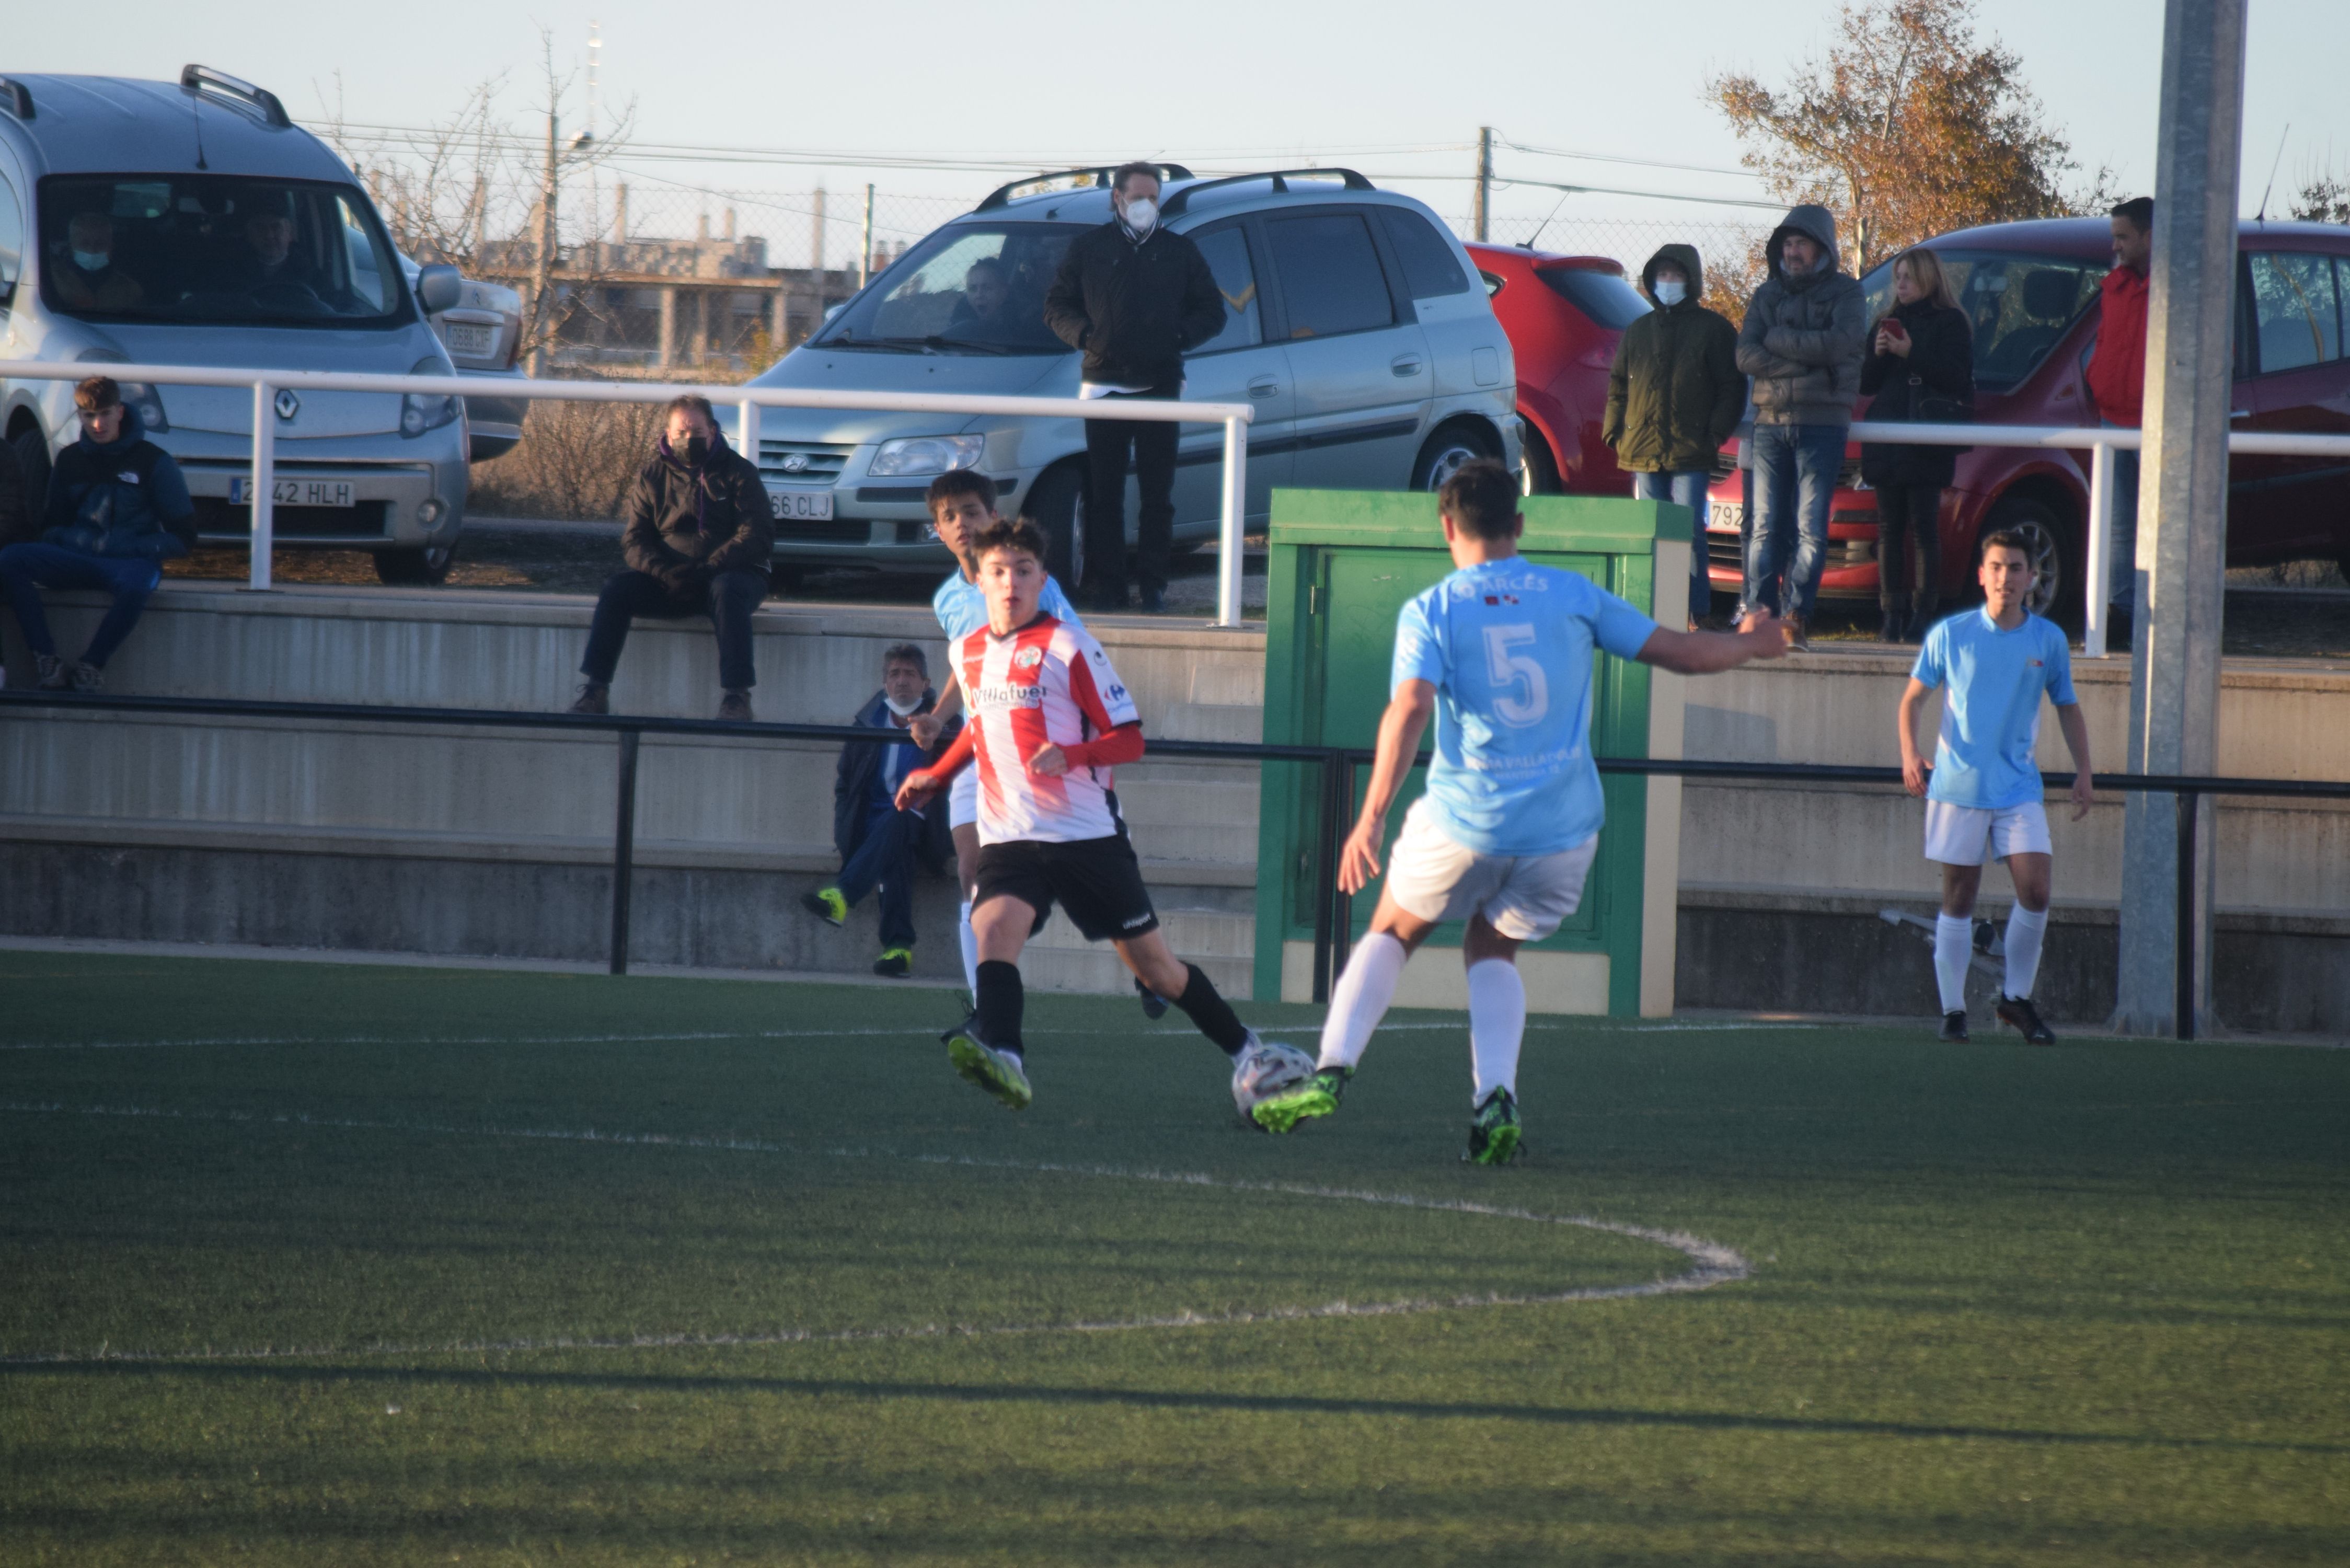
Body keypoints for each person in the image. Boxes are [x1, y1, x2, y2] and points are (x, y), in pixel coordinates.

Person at [1249, 460, 1789, 1161]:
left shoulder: (1434, 609)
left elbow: (1410, 707)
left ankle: (1331, 1073)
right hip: (1563, 836)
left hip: (1466, 823)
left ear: (1448, 527)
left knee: (1392, 929)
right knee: (1494, 945)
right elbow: (1681, 653)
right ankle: (1494, 1097)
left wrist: (1371, 815)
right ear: (1520, 525)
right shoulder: (1572, 594)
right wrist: (1754, 641)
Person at [893, 515, 1314, 1115]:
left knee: (1159, 972)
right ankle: (1007, 1058)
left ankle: (1247, 1050)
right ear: (979, 583)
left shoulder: (1068, 646)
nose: (1009, 582)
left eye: (1022, 570)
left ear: (1042, 579)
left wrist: (1073, 754)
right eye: (997, 572)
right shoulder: (967, 651)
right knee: (992, 934)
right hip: (1009, 836)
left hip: (1085, 838)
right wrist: (937, 776)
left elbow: (1130, 739)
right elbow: (982, 727)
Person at [905, 468, 1113, 1004]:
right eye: (948, 518)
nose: (961, 525)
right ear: (938, 530)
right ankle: (984, 1004)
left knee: (1080, 871)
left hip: (1042, 748)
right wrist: (937, 715)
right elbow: (968, 664)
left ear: (993, 517)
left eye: (971, 513)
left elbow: (1076, 652)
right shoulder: (948, 599)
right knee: (971, 867)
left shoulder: (1026, 580)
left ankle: (1145, 960)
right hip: (980, 747)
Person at [1896, 529, 2094, 1046]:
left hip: (2018, 789)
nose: (2005, 577)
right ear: (1981, 575)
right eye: (1996, 567)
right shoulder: (1951, 633)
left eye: (2015, 568)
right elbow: (1912, 699)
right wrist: (1909, 753)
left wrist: (2083, 770)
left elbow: (2066, 706)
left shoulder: (2046, 639)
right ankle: (1953, 1012)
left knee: (2036, 889)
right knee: (1957, 898)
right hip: (1958, 787)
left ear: (2031, 578)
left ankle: (2015, 999)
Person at [1043, 162, 1225, 612]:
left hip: (1160, 386)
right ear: (1116, 199)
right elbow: (1056, 306)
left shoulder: (1179, 251)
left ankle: (1154, 587)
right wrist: (1087, 337)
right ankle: (1110, 587)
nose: (1145, 206)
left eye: (1153, 198)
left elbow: (1213, 312)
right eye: (1137, 197)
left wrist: (1178, 337)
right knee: (1105, 495)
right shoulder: (1089, 249)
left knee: (1157, 496)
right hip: (1104, 387)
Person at [570, 395, 773, 721]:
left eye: (696, 430)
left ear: (712, 431)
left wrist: (709, 570)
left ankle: (737, 697)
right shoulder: (651, 476)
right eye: (681, 431)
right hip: (669, 580)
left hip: (730, 578)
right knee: (615, 589)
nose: (688, 438)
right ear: (667, 433)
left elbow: (755, 536)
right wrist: (664, 573)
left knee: (726, 589)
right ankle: (595, 690)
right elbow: (635, 540)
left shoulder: (740, 473)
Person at [0, 377, 192, 693]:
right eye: (89, 416)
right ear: (79, 417)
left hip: (128, 563)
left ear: (120, 412)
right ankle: (47, 659)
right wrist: (77, 541)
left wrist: (133, 547)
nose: (98, 424)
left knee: (139, 582)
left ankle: (92, 665)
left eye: (105, 414)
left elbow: (184, 538)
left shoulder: (155, 462)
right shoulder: (69, 459)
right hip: (77, 559)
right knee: (12, 558)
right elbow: (50, 527)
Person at [1736, 204, 1865, 649]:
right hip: (1770, 425)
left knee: (1811, 526)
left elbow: (1841, 344)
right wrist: (1806, 363)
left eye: (1801, 244)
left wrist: (1776, 343)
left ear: (1822, 248)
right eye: (1787, 244)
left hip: (1822, 425)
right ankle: (1759, 617)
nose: (1793, 252)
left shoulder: (1849, 294)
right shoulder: (1764, 295)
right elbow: (1745, 355)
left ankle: (1796, 616)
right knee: (1765, 526)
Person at [1604, 243, 1744, 630]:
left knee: (1689, 529)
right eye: (1662, 275)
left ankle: (1695, 610)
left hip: (1692, 450)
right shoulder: (1638, 330)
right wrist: (1614, 432)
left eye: (1676, 275)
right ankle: (1655, 609)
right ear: (1651, 280)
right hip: (1641, 448)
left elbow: (1731, 387)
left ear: (1691, 280)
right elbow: (1618, 385)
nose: (1668, 282)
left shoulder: (1714, 330)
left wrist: (1715, 432)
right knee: (1652, 529)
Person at [802, 643, 959, 978]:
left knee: (902, 816)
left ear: (926, 682)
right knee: (894, 848)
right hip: (873, 824)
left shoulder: (947, 724)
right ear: (884, 681)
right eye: (894, 674)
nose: (902, 681)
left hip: (926, 822)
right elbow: (846, 783)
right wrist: (845, 828)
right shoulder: (866, 723)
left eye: (910, 674)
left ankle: (843, 895)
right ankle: (898, 948)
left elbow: (958, 781)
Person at [1859, 246, 1975, 643]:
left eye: (1908, 277)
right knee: (1889, 528)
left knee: (1926, 527)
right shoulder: (1886, 321)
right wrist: (1878, 354)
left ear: (1928, 279)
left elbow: (1957, 379)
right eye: (1898, 278)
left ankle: (1925, 613)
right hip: (1889, 434)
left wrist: (1911, 353)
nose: (1901, 285)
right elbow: (1867, 383)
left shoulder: (1951, 322)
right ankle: (1891, 612)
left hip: (1925, 437)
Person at [2086, 197, 2153, 631]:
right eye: (2114, 237)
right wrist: (2099, 381)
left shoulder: (2179, 288)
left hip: (2157, 426)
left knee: (2156, 529)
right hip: (2114, 421)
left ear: (2150, 236)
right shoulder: (2115, 288)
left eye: (2123, 237)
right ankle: (2120, 616)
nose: (2116, 246)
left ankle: (2151, 620)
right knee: (2117, 528)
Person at [50, 213, 143, 312]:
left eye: (100, 244)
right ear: (71, 247)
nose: (93, 250)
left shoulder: (130, 290)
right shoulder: (51, 280)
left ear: (111, 247)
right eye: (85, 244)